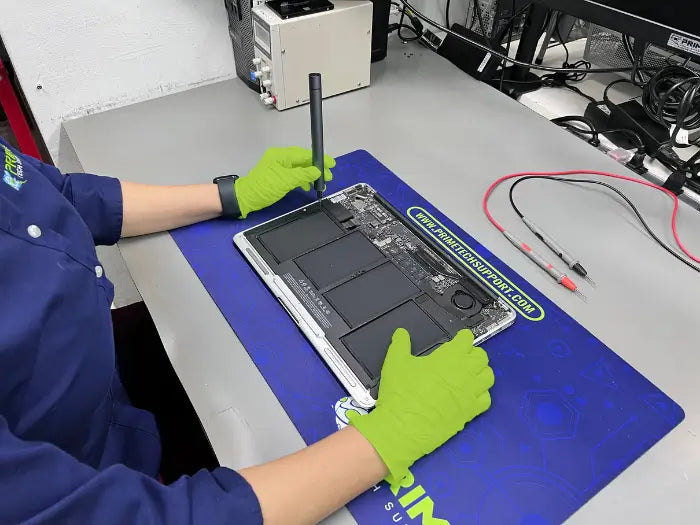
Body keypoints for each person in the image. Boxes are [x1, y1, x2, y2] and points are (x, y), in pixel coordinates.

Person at [0, 138, 495, 525]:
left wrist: (228, 194)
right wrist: (389, 436)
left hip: (104, 401)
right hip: (87, 471)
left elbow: (55, 195)